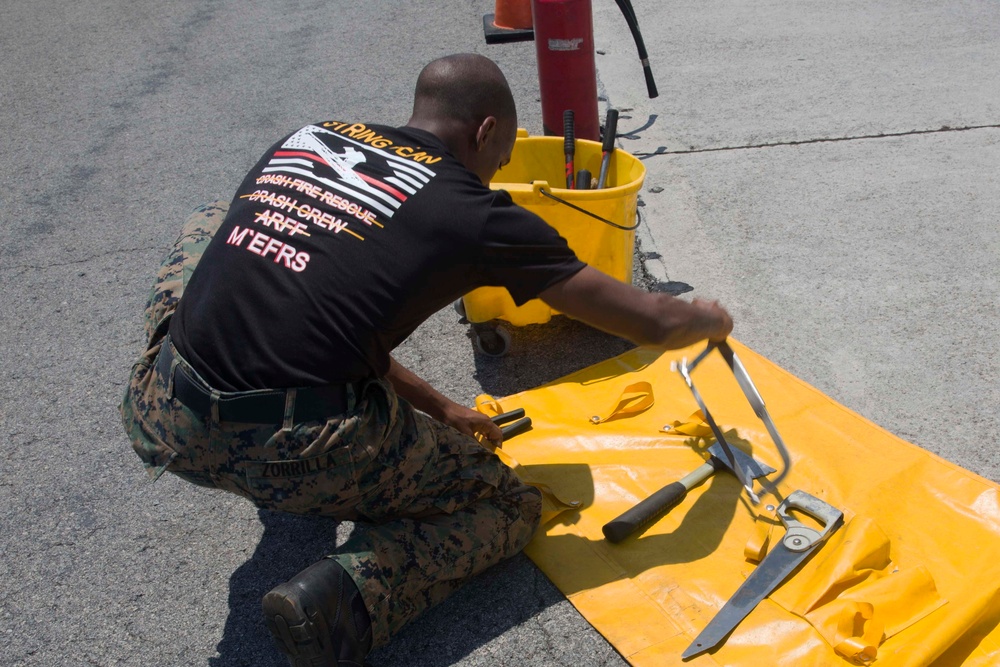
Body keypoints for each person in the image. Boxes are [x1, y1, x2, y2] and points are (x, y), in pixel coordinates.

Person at [120, 53, 732, 667]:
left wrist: (440, 406)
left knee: (213, 227)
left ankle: (262, 457)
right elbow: (653, 321)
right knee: (506, 505)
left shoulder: (310, 139)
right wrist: (711, 317)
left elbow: (311, 311)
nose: (497, 172)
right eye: (502, 155)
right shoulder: (475, 213)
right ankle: (343, 598)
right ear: (486, 131)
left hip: (161, 408)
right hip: (292, 445)